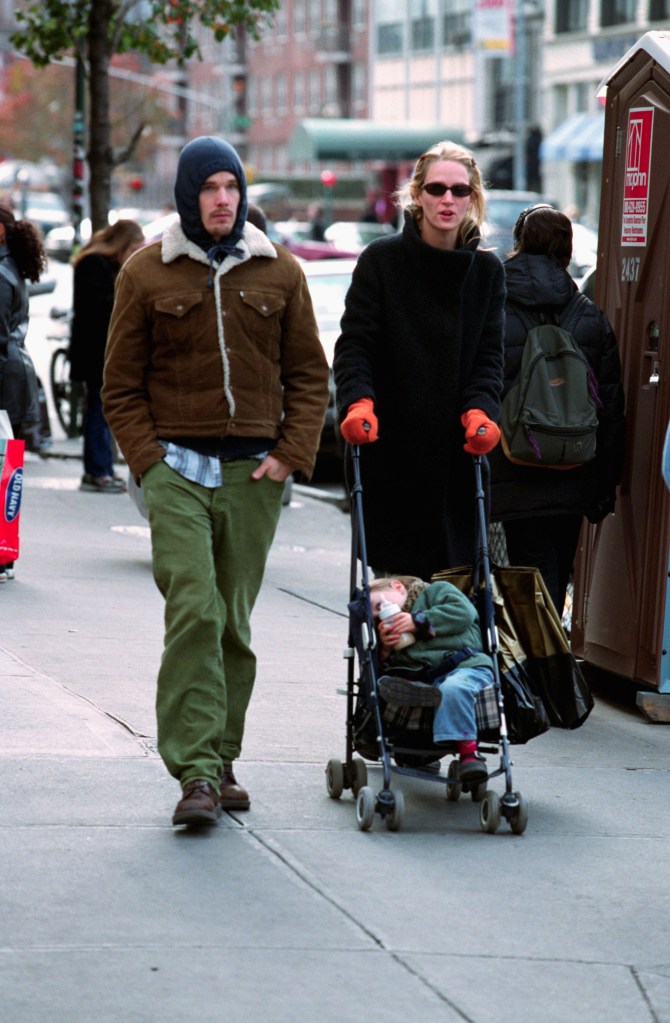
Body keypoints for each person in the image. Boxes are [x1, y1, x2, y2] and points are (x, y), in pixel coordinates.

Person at [102, 135, 329, 828]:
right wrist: (149, 461)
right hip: (177, 470)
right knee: (195, 608)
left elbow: (310, 376)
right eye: (210, 188)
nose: (223, 200)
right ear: (188, 195)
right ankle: (195, 772)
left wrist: (289, 456)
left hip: (254, 474)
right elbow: (118, 387)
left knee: (232, 621)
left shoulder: (279, 272)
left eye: (232, 187)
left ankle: (224, 757)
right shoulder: (146, 273)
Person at [333, 140, 505, 580]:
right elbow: (355, 344)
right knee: (397, 598)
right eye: (437, 188)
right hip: (391, 454)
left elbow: (490, 356)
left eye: (459, 190)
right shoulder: (381, 261)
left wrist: (482, 409)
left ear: (473, 198)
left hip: (457, 460)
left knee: (454, 599)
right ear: (417, 194)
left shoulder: (486, 273)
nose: (448, 200)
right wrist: (358, 402)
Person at [489, 205, 625, 617]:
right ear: (566, 250)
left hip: (514, 465)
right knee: (557, 572)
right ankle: (547, 666)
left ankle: (538, 670)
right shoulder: (589, 316)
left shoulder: (495, 308)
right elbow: (611, 406)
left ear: (518, 243)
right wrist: (606, 483)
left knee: (528, 572)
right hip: (574, 466)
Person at [369, 575, 494, 783]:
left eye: (378, 604)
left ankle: (469, 754)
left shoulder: (435, 592)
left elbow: (464, 614)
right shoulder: (390, 629)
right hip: (422, 678)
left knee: (453, 688)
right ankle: (412, 747)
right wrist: (386, 649)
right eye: (374, 615)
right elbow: (387, 667)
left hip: (465, 666)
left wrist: (418, 621)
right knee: (389, 684)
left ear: (398, 586)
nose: (379, 612)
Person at [70, 219, 144, 494]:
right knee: (99, 411)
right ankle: (97, 470)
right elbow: (99, 309)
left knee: (102, 411)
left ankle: (102, 469)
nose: (136, 253)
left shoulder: (105, 264)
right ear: (122, 244)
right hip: (95, 351)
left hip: (100, 350)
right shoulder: (94, 264)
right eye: (134, 247)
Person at [0, 201, 48, 584]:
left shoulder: (1, 273)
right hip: (13, 376)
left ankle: (3, 554)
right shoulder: (9, 267)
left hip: (5, 380)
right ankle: (4, 553)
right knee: (5, 468)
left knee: (3, 468)